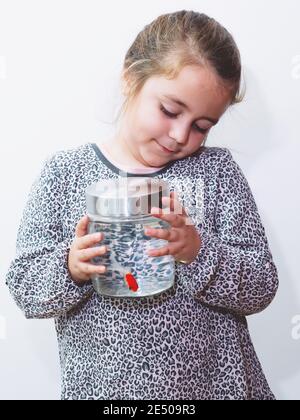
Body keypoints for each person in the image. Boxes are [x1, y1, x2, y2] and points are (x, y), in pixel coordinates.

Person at [6, 10, 279, 400]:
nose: (181, 134)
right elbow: (25, 288)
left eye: (203, 126)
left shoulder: (216, 173)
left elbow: (262, 286)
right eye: (170, 110)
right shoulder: (64, 175)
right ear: (131, 78)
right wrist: (70, 267)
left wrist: (198, 252)